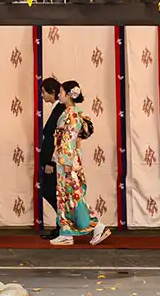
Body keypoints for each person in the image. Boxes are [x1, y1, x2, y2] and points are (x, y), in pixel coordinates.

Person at [51, 79, 111, 246]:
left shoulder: (71, 114)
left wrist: (65, 161)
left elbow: (69, 139)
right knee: (67, 196)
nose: (59, 95)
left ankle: (97, 226)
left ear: (69, 95)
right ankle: (66, 232)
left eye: (61, 92)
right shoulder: (72, 112)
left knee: (73, 196)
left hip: (67, 160)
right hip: (66, 159)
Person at [38, 76, 66, 238]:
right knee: (51, 192)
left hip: (54, 161)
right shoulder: (56, 109)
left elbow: (55, 139)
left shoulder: (60, 111)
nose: (42, 95)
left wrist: (50, 162)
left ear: (53, 92)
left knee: (50, 191)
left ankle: (63, 225)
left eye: (43, 92)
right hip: (51, 160)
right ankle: (60, 225)